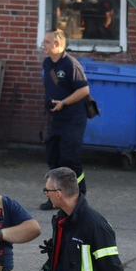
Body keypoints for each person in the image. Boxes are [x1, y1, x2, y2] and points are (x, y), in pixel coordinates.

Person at [38, 30, 91, 209]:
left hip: (72, 119)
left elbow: (84, 90)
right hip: (55, 119)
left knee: (70, 159)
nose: (43, 45)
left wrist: (63, 102)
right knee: (53, 159)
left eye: (46, 42)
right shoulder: (47, 63)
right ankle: (54, 198)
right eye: (43, 41)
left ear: (58, 44)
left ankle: (79, 195)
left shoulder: (70, 64)